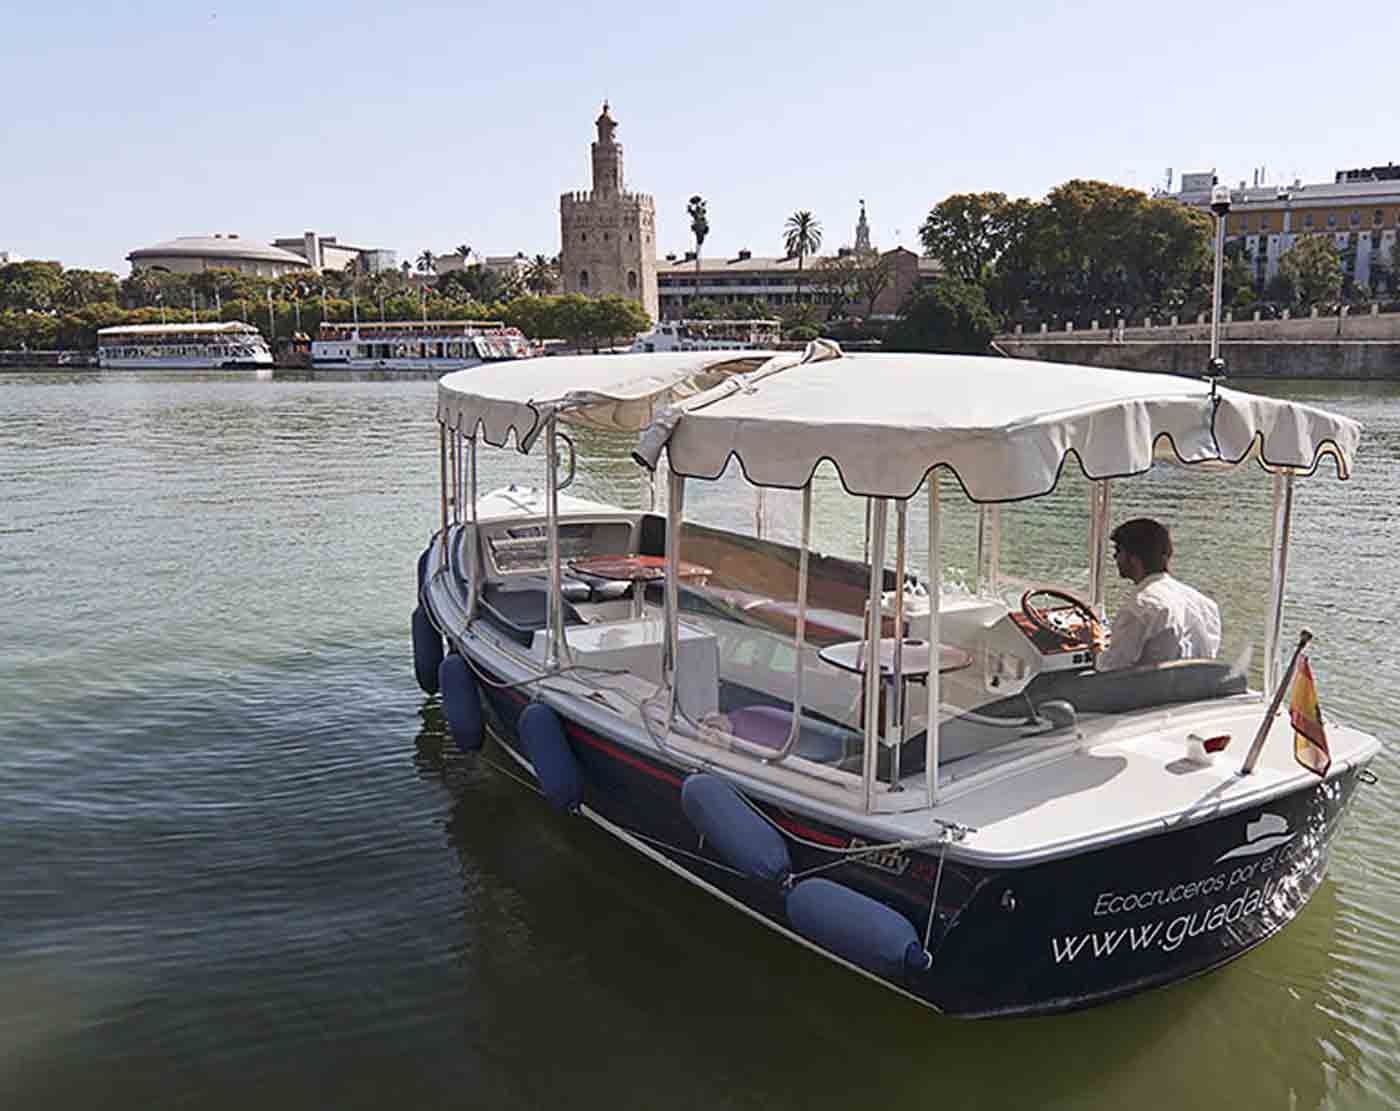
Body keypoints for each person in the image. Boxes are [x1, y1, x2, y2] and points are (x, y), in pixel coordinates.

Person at [1098, 518, 1221, 671]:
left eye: (1118, 551)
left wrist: (1096, 647)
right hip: (1195, 690)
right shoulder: (1205, 605)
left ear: (1134, 559)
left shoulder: (1139, 607)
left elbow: (1109, 668)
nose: (1115, 558)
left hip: (1146, 692)